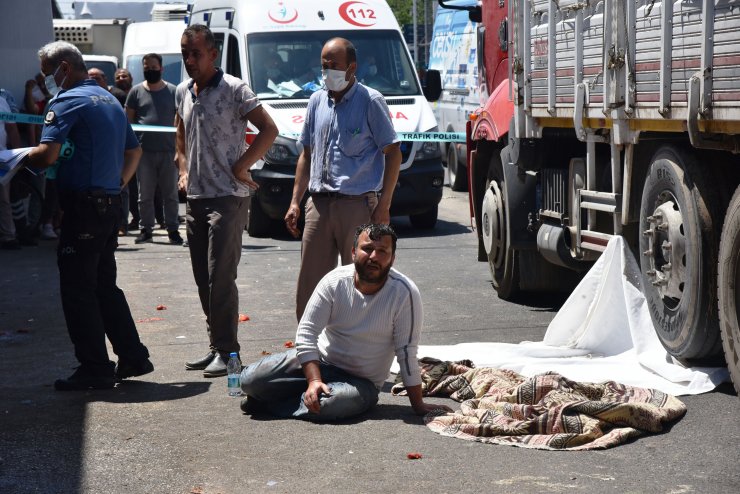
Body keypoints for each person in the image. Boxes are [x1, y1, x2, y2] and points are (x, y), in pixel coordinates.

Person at [25, 41, 153, 390]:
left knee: (78, 289)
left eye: (49, 73)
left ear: (64, 67)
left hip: (84, 208)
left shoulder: (67, 100)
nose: (48, 80)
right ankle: (133, 356)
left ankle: (95, 367)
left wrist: (16, 159)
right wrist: (117, 185)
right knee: (103, 285)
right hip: (108, 204)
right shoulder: (108, 99)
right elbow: (135, 150)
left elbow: (48, 155)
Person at [240, 224, 452, 421]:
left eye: (382, 251)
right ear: (352, 253)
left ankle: (268, 405)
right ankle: (296, 394)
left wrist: (418, 405)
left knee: (330, 404)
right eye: (367, 249)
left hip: (360, 383)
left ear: (392, 258)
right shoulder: (334, 281)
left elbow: (406, 351)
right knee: (249, 380)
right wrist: (314, 380)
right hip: (320, 363)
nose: (373, 257)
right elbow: (306, 334)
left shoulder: (404, 292)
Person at [176, 24, 278, 377]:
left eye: (196, 53)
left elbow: (269, 129)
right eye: (185, 53)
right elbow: (180, 129)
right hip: (196, 197)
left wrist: (243, 164)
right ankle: (216, 345)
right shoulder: (183, 91)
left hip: (228, 197)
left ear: (213, 53)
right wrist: (184, 168)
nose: (190, 60)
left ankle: (230, 352)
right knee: (203, 277)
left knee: (221, 277)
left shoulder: (234, 89)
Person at [284, 37, 402, 321]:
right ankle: (309, 350)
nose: (327, 72)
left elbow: (393, 152)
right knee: (311, 285)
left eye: (334, 66)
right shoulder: (316, 101)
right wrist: (295, 202)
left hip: (358, 206)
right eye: (324, 66)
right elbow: (306, 155)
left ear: (352, 68)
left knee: (361, 280)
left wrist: (383, 205)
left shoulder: (370, 101)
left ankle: (358, 347)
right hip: (319, 206)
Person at [126, 53, 182, 244]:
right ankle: (146, 229)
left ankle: (173, 229)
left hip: (169, 151)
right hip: (144, 153)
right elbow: (128, 121)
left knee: (170, 195)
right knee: (145, 195)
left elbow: (180, 121)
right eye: (146, 67)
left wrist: (180, 150)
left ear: (161, 68)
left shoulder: (174, 91)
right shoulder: (135, 92)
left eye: (153, 67)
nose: (150, 70)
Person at [0, 90, 22, 249]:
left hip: (1, 158)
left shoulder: (1, 101)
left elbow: (11, 128)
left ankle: (9, 236)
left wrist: (18, 156)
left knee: (3, 199)